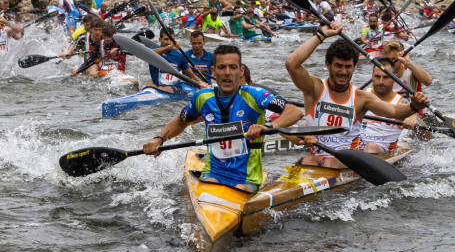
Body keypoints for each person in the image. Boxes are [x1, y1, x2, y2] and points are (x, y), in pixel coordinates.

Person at [141, 45, 303, 193]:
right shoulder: (203, 98)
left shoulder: (256, 95)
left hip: (247, 179)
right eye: (221, 67)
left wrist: (268, 127)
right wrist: (159, 139)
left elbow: (294, 111)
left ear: (241, 71)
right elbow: (181, 121)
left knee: (240, 188)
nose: (227, 72)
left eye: (233, 67)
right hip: (212, 174)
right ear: (213, 71)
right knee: (206, 187)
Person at [284, 24, 429, 169]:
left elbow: (395, 112)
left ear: (354, 67)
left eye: (348, 67)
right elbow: (292, 64)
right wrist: (320, 36)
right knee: (309, 160)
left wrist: (414, 106)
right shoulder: (313, 88)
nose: (343, 72)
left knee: (326, 161)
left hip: (347, 162)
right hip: (314, 159)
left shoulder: (361, 98)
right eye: (338, 66)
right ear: (328, 65)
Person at [358, 58, 419, 155]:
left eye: (386, 77)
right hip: (356, 150)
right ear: (372, 76)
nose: (381, 82)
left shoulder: (401, 103)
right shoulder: (360, 96)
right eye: (377, 76)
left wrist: (414, 118)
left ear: (394, 78)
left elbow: (428, 137)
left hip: (384, 152)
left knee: (371, 147)